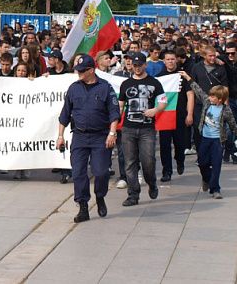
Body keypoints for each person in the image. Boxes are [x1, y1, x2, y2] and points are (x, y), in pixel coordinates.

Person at [57, 54, 120, 223]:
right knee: (78, 173)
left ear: (91, 70)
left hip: (100, 136)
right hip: (79, 136)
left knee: (100, 172)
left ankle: (100, 196)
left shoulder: (105, 87)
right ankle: (83, 206)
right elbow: (64, 114)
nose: (79, 74)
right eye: (77, 71)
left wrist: (112, 133)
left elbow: (114, 113)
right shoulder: (73, 88)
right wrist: (60, 136)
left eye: (82, 71)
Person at [180, 70, 237, 198]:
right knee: (202, 162)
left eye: (213, 96)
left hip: (218, 141)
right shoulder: (207, 103)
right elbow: (198, 90)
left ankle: (215, 189)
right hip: (205, 139)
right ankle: (206, 179)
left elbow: (233, 125)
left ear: (220, 100)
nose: (210, 97)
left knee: (217, 164)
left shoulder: (226, 110)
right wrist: (187, 77)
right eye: (210, 95)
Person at [118, 52, 168, 207]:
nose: (137, 68)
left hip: (147, 129)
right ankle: (133, 194)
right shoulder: (125, 84)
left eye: (140, 65)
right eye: (135, 65)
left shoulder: (155, 83)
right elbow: (120, 105)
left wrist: (155, 110)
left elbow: (163, 102)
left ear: (145, 65)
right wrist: (114, 123)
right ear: (131, 65)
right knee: (130, 163)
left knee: (148, 161)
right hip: (128, 129)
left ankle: (152, 183)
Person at [158, 51, 194, 182]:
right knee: (164, 145)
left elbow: (190, 95)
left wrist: (189, 114)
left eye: (173, 59)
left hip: (180, 116)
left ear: (176, 60)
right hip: (165, 116)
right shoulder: (159, 77)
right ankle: (166, 171)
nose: (170, 61)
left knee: (180, 144)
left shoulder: (183, 76)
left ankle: (180, 161)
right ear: (164, 61)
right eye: (168, 59)